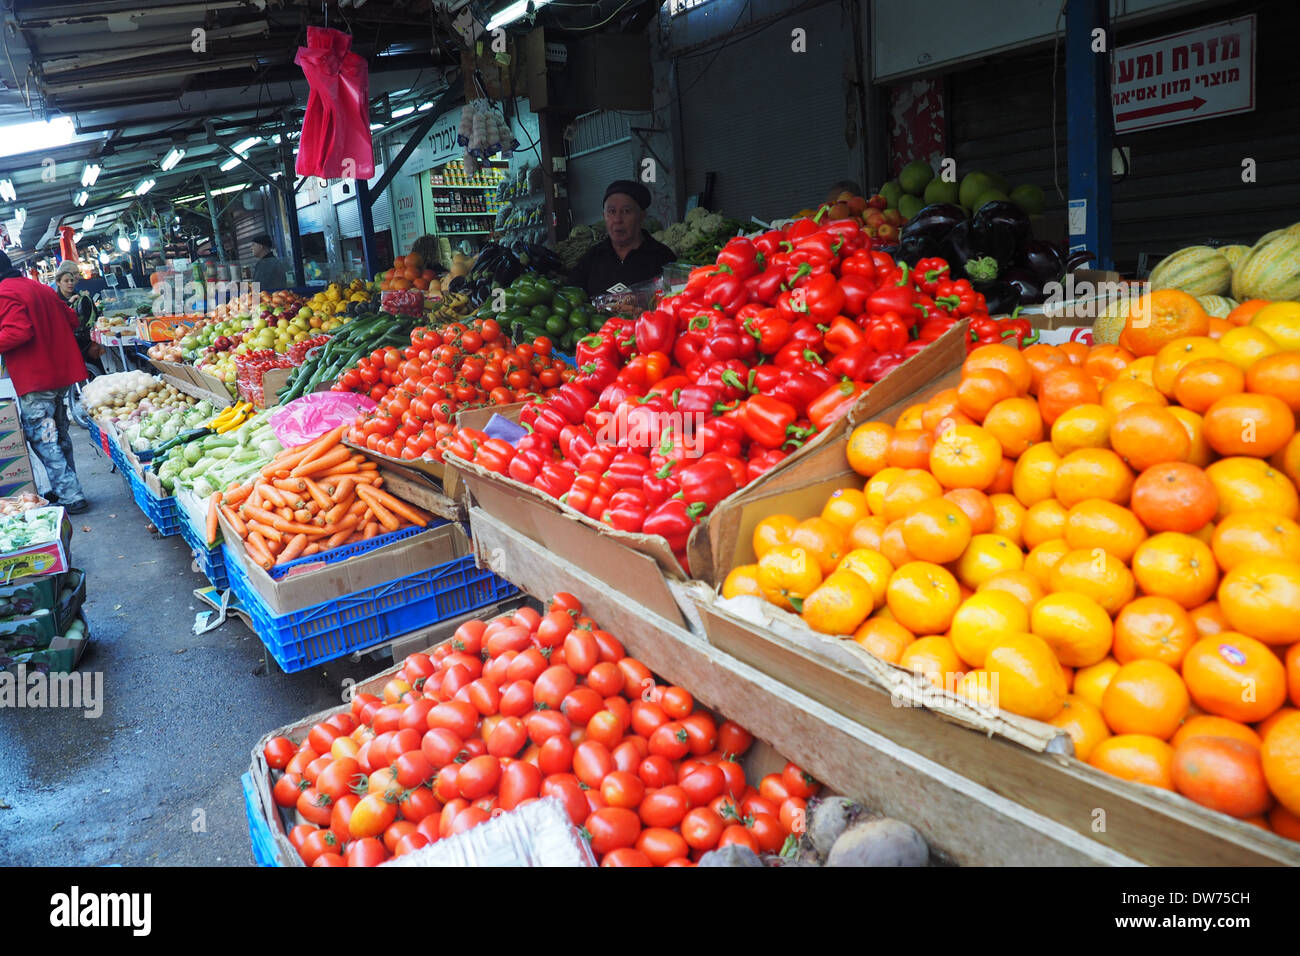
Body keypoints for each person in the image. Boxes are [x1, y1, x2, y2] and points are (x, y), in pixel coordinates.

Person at [0, 250, 91, 513]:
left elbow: (19, 331)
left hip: (37, 379)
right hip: (60, 375)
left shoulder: (5, 293)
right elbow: (72, 319)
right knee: (57, 433)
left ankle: (71, 493)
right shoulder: (39, 288)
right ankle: (67, 485)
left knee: (43, 437)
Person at [568, 180, 674, 299]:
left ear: (642, 216)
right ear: (604, 216)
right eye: (611, 211)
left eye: (626, 211)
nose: (617, 219)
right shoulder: (591, 259)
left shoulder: (662, 257)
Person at [53, 260, 104, 367]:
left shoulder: (82, 296)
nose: (76, 277)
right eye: (67, 280)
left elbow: (93, 317)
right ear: (59, 281)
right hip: (67, 346)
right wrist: (68, 303)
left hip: (86, 344)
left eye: (75, 275)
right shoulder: (54, 299)